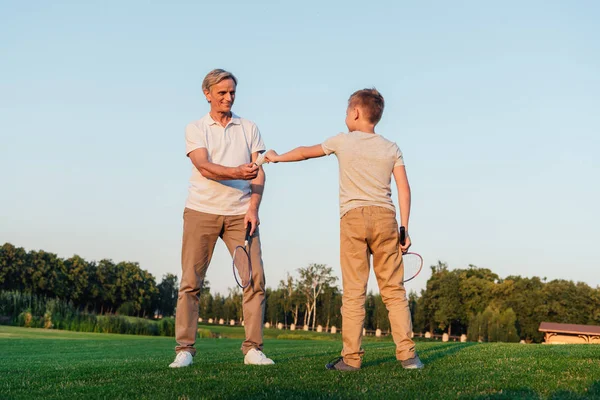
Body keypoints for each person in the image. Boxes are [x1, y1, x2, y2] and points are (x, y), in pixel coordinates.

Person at [264, 88, 423, 371]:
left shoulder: (342, 141)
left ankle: (351, 359)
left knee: (353, 292)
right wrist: (405, 227)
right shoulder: (391, 148)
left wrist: (276, 157)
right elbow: (404, 188)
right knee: (395, 292)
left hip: (353, 218)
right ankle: (409, 357)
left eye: (347, 111)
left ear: (356, 112)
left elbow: (304, 153)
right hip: (386, 217)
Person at [169, 69, 274, 368]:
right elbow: (204, 166)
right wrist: (237, 172)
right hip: (200, 211)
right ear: (208, 94)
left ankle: (253, 349)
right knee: (191, 282)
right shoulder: (196, 127)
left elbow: (260, 171)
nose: (228, 98)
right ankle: (185, 350)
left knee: (254, 279)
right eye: (222, 93)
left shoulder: (249, 127)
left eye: (232, 93)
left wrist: (253, 207)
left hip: (241, 214)